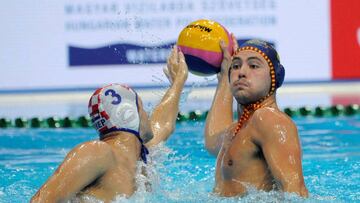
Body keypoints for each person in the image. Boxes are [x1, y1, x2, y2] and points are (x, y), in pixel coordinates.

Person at [31, 46, 188, 202]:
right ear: (129, 113)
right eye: (141, 107)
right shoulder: (97, 152)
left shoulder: (141, 157)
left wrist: (178, 82)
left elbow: (163, 124)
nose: (148, 114)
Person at [204, 38, 308, 197]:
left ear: (275, 77)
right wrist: (224, 75)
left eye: (253, 66)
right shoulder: (238, 129)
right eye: (236, 66)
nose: (241, 72)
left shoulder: (269, 119)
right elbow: (212, 141)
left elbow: (296, 194)